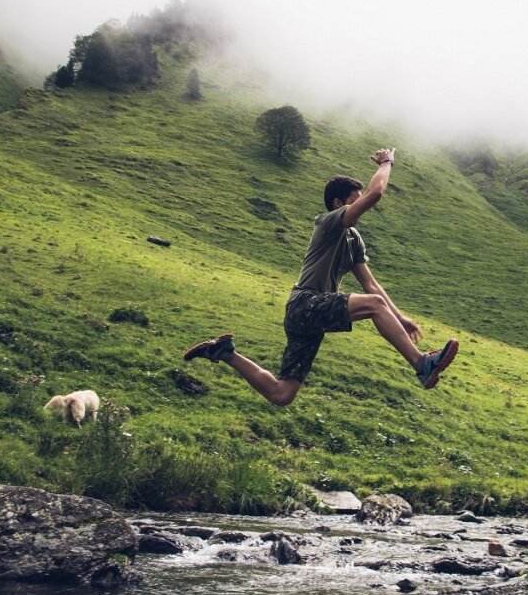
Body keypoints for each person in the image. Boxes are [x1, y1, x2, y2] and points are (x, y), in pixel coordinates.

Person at [184, 147, 458, 406]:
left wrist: (401, 319)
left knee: (283, 394)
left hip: (309, 319)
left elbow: (370, 283)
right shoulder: (327, 223)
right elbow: (376, 194)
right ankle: (422, 365)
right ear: (338, 204)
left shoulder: (353, 239)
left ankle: (224, 352)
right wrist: (387, 162)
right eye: (354, 200)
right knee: (373, 304)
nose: (360, 205)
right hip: (305, 303)